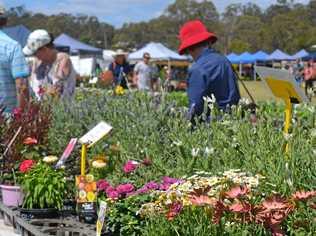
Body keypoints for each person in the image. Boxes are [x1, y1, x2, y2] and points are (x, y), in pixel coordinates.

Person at [178, 20, 240, 122]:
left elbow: (196, 107)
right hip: (234, 121)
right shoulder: (224, 60)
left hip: (211, 126)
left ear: (190, 48)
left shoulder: (197, 69)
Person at [23, 29, 76, 100]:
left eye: (35, 53)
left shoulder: (62, 60)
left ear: (44, 49)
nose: (34, 56)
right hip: (39, 108)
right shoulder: (36, 61)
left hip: (59, 109)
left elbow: (57, 92)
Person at [0, 5, 30, 113]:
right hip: (5, 120)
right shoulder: (12, 46)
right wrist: (21, 116)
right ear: (5, 21)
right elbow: (22, 85)